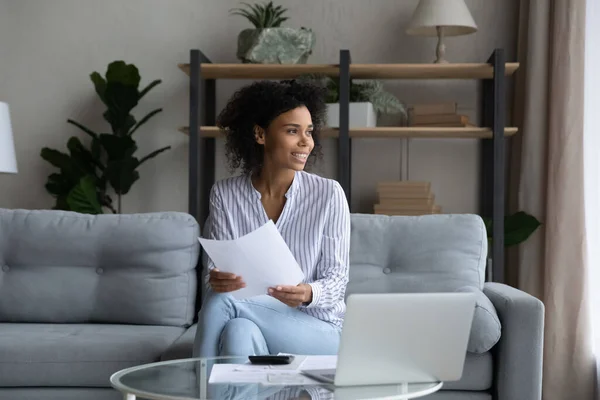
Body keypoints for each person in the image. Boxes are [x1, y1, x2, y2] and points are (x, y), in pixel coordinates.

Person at [192, 79, 351, 358]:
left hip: (319, 329)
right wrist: (218, 280)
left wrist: (307, 293)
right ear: (260, 134)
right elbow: (212, 275)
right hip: (250, 315)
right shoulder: (225, 194)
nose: (306, 142)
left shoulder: (328, 194)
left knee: (224, 300)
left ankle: (195, 384)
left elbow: (338, 280)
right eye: (293, 131)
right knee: (238, 331)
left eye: (309, 132)